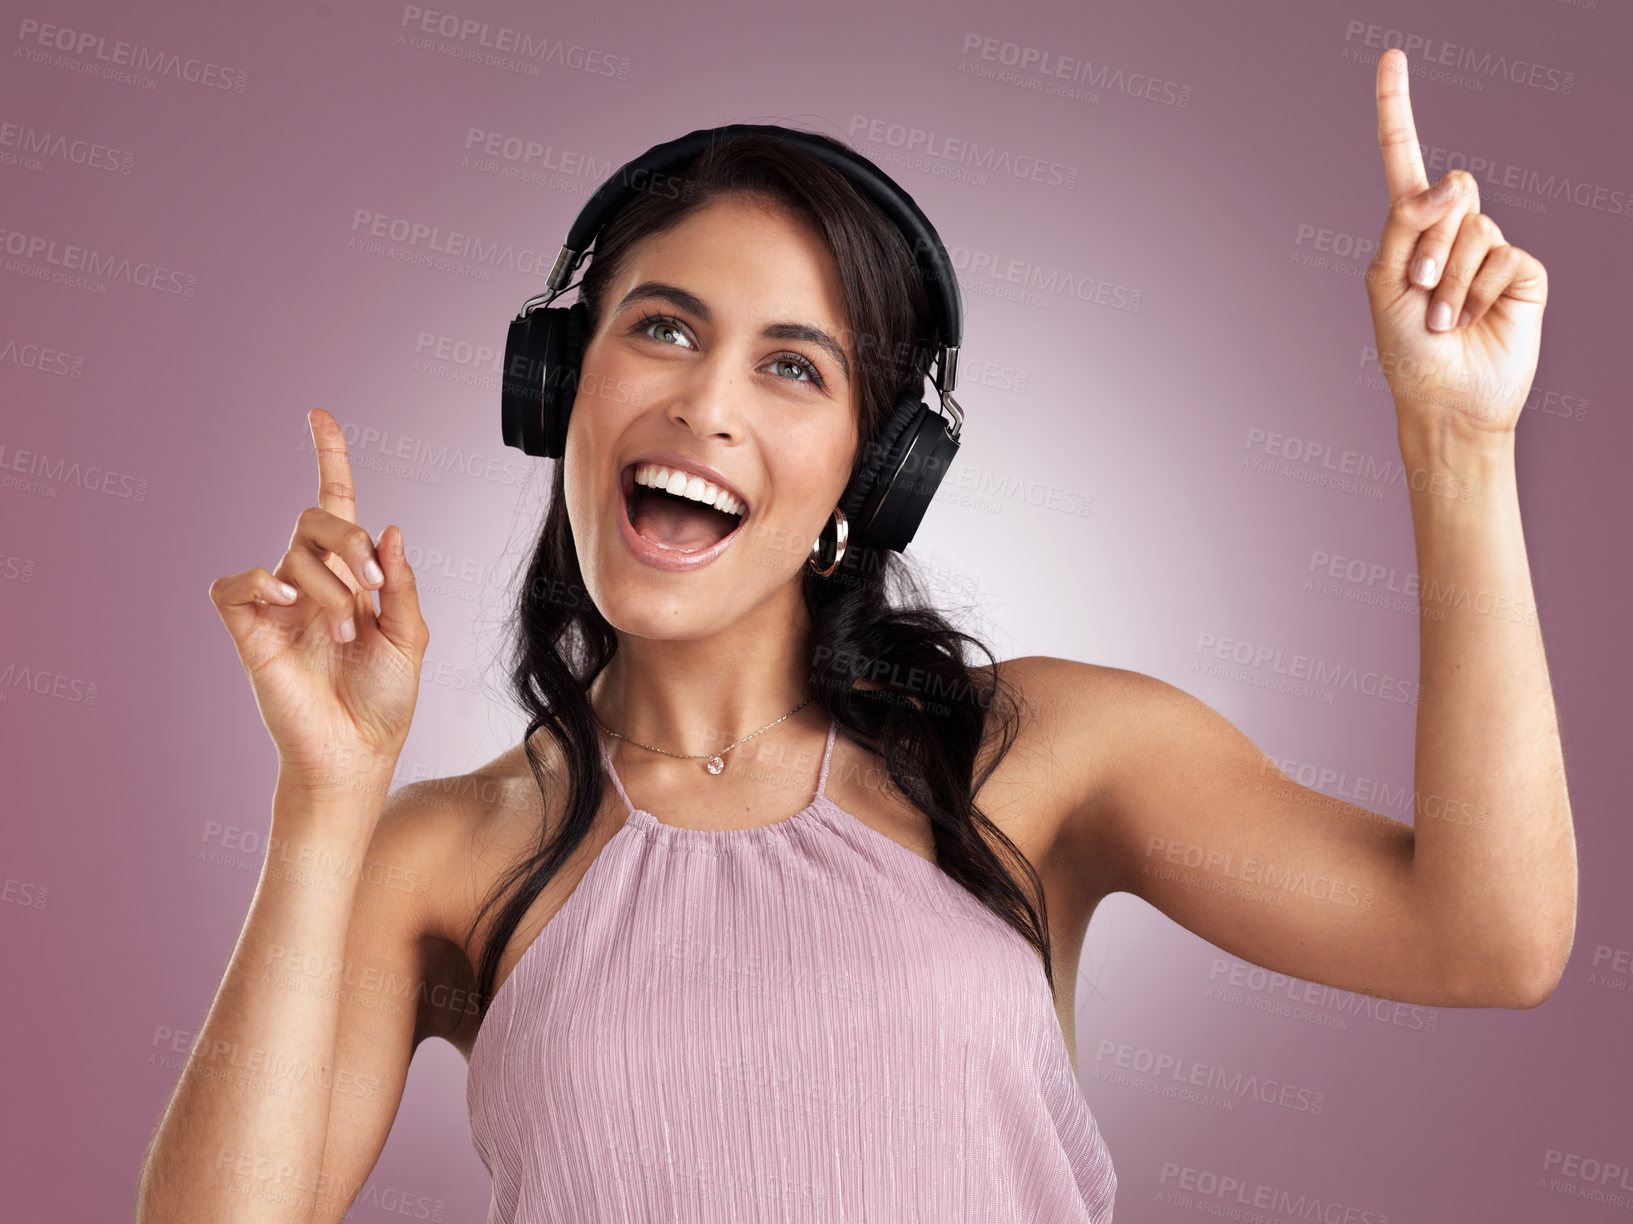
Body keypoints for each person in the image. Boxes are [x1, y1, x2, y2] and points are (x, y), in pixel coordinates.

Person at [137, 48, 1573, 1224]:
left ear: (867, 480)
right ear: (557, 388)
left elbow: (1483, 939)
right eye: (663, 329)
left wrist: (1455, 443)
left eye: (790, 367)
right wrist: (326, 796)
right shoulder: (446, 859)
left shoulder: (1036, 758)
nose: (709, 405)